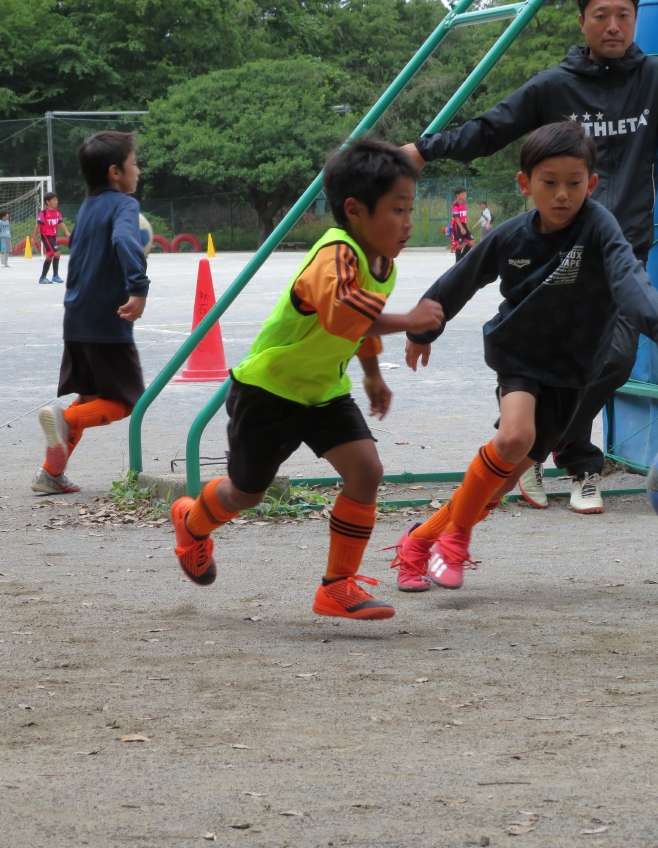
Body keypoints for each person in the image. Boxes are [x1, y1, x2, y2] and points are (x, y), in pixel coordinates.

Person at [399, 0, 658, 515]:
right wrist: (424, 149)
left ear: (635, 18)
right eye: (600, 15)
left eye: (623, 14)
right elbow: (491, 128)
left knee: (615, 359)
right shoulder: (555, 85)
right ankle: (561, 456)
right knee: (551, 354)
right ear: (582, 21)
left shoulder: (657, 79)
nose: (612, 26)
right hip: (558, 250)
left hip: (622, 247)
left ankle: (541, 446)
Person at [390, 121, 658, 592]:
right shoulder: (511, 236)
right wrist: (425, 328)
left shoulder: (599, 228)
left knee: (498, 485)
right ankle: (456, 539)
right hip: (520, 354)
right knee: (514, 435)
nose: (562, 194)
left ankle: (419, 541)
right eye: (550, 182)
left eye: (574, 183)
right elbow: (463, 277)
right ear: (525, 184)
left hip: (573, 372)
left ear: (591, 184)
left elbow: (631, 281)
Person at [167, 140, 444, 621]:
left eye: (410, 209)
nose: (407, 222)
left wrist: (372, 375)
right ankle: (191, 522)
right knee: (246, 493)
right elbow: (342, 313)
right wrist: (408, 320)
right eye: (398, 210)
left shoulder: (383, 264)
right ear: (355, 210)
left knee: (366, 471)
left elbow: (358, 326)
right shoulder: (334, 254)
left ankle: (337, 586)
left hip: (323, 392)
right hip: (269, 391)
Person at [31, 131, 148, 495]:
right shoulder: (124, 205)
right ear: (115, 171)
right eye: (134, 164)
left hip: (77, 316)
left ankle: (50, 474)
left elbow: (78, 259)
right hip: (107, 321)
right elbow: (124, 240)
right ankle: (65, 420)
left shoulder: (87, 208)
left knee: (90, 397)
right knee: (126, 402)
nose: (138, 170)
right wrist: (138, 288)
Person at [34, 192, 72, 284]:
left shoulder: (57, 212)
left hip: (53, 236)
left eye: (56, 199)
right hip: (46, 236)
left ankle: (43, 277)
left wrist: (66, 231)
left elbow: (61, 222)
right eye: (54, 200)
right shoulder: (43, 213)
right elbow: (38, 225)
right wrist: (34, 238)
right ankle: (55, 275)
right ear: (47, 202)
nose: (56, 201)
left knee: (49, 256)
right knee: (57, 252)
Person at [450, 187, 474, 261]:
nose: (464, 195)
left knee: (472, 241)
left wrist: (467, 227)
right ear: (457, 195)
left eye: (465, 194)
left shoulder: (464, 205)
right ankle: (458, 261)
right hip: (458, 225)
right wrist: (461, 227)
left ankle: (462, 257)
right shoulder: (456, 204)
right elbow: (456, 217)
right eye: (462, 194)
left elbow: (466, 217)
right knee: (460, 244)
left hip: (464, 225)